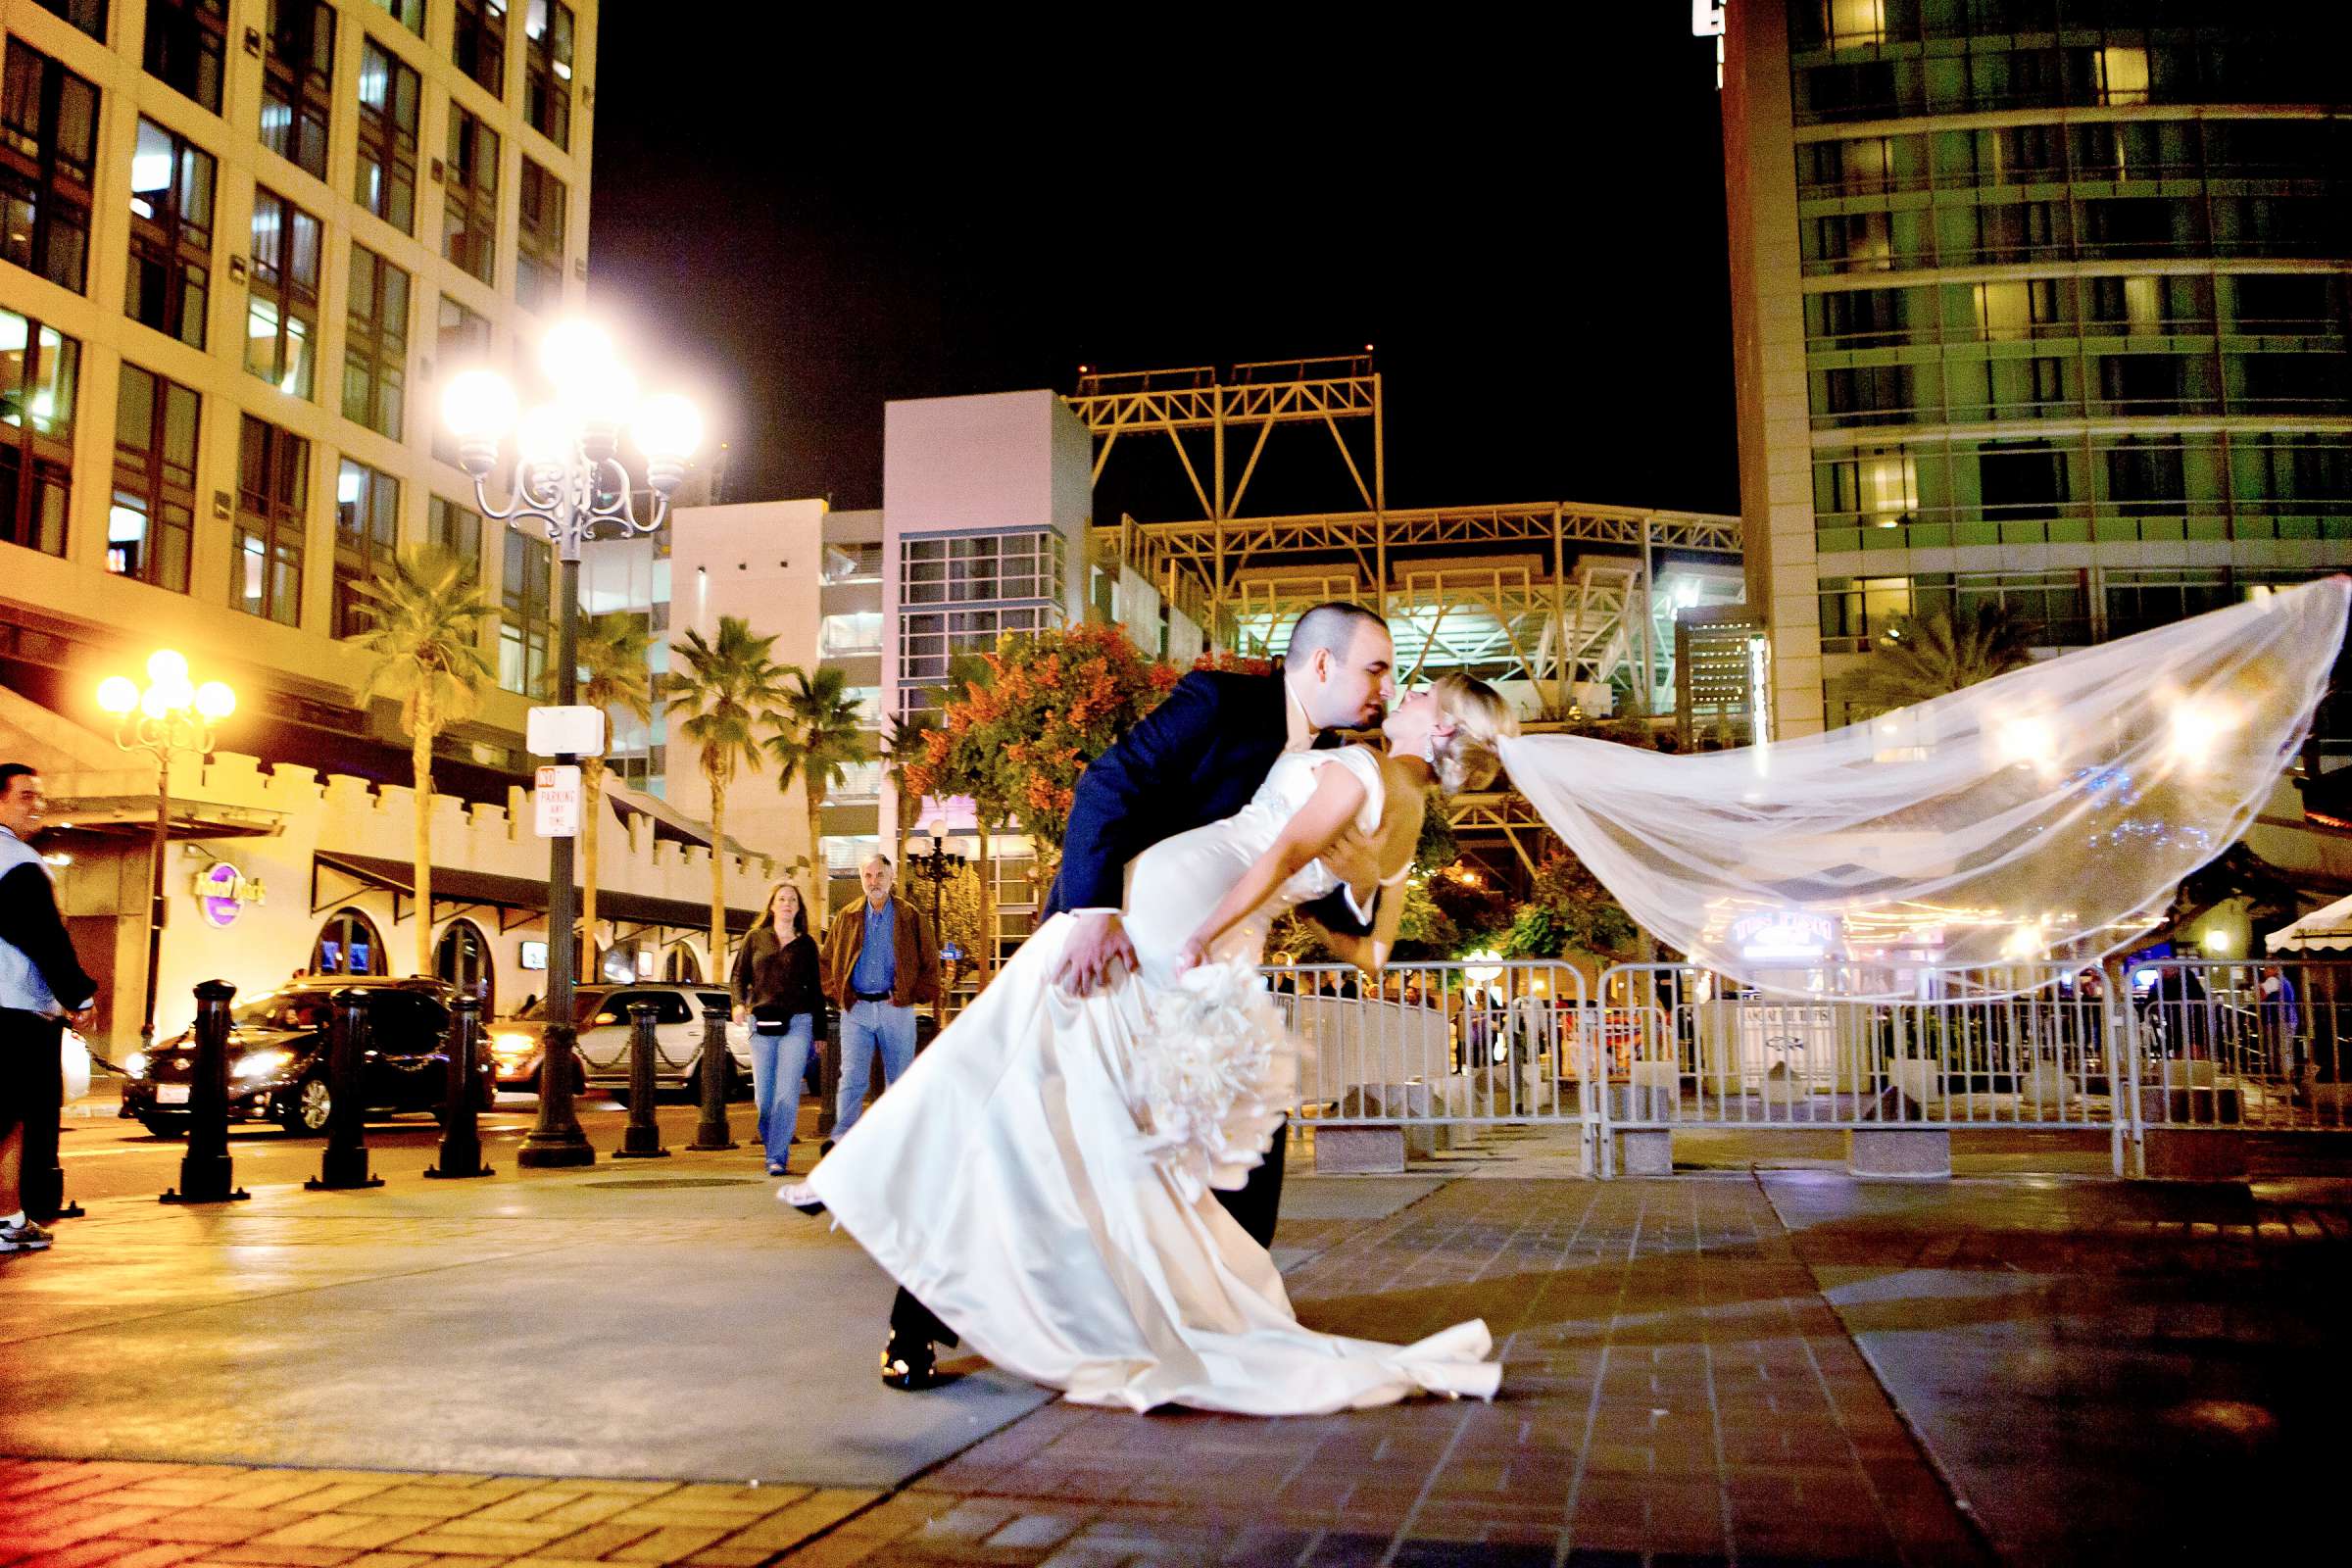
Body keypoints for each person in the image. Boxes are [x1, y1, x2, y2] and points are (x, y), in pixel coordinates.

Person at [795, 674, 1516, 1415]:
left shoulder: (1361, 768)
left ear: (1439, 730)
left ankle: (1198, 1315)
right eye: (1383, 671)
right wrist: (1326, 889)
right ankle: (965, 1304)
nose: (1397, 687)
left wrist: (1225, 922)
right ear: (1323, 665)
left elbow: (1285, 859)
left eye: (1421, 690)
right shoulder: (1327, 767)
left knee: (1059, 1106)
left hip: (1189, 937)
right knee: (1061, 1108)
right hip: (1171, 931)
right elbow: (1368, 950)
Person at [0, 764, 96, 1256]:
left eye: (41, 795)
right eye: (25, 796)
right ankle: (8, 1219)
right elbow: (41, 936)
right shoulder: (17, 862)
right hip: (12, 1010)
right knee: (10, 1119)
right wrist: (78, 996)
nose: (38, 804)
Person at [819, 856, 938, 1148]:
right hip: (856, 1010)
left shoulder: (910, 917)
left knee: (899, 1078)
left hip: (895, 1008)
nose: (874, 881)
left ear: (891, 876)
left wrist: (910, 995)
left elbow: (930, 963)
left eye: (880, 875)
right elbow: (826, 963)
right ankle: (841, 1139)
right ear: (862, 879)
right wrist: (840, 993)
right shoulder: (846, 917)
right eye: (868, 875)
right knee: (852, 1078)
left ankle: (896, 1141)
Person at [732, 882, 826, 1177]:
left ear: (798, 908)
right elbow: (738, 975)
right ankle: (773, 1144)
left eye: (792, 900)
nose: (787, 903)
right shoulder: (755, 938)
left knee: (786, 1095)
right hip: (762, 1023)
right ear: (772, 905)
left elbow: (816, 991)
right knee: (764, 1098)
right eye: (781, 899)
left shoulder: (807, 944)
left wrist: (820, 1032)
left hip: (798, 1023)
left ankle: (776, 1156)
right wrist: (738, 1004)